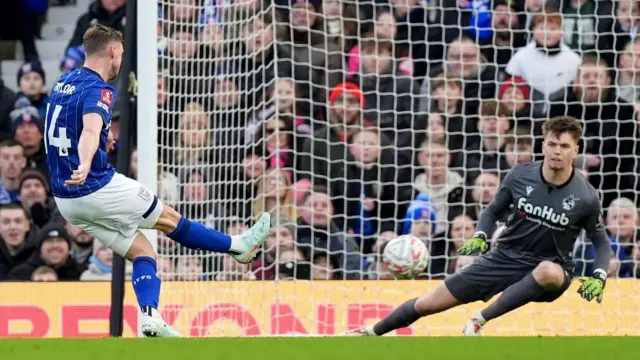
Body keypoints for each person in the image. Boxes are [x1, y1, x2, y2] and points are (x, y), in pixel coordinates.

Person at [44, 24, 270, 338]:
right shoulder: (101, 89)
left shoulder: (63, 82)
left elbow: (65, 129)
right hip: (94, 186)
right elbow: (89, 131)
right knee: (170, 219)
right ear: (112, 51)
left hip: (66, 200)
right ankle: (238, 247)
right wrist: (85, 161)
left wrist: (98, 146)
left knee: (142, 251)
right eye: (120, 54)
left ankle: (150, 318)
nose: (120, 61)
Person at [343, 116, 610, 336]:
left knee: (548, 271)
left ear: (576, 150)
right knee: (430, 303)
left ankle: (479, 320)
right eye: (552, 144)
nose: (557, 151)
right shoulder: (520, 174)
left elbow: (600, 242)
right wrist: (481, 234)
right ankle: (371, 333)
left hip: (550, 267)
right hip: (504, 257)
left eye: (564, 146)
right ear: (543, 145)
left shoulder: (585, 196)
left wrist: (598, 275)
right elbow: (493, 210)